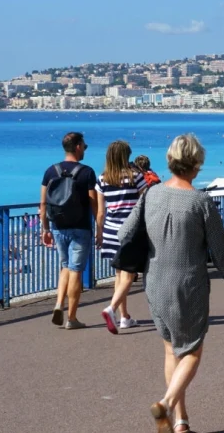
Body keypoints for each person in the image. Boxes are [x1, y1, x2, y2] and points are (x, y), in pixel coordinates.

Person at [122, 134, 224, 433]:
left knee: (170, 350)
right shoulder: (201, 201)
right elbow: (220, 249)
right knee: (192, 350)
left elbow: (125, 234)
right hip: (189, 284)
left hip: (155, 282)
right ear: (197, 164)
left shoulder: (150, 194)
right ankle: (165, 404)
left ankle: (180, 422)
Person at [40, 132, 98, 330]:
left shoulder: (51, 171)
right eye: (84, 145)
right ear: (78, 147)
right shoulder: (87, 172)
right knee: (76, 271)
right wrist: (100, 228)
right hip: (80, 228)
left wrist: (45, 228)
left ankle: (58, 304)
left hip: (58, 226)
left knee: (64, 265)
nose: (85, 149)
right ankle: (71, 318)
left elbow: (43, 203)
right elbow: (94, 204)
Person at [97, 141, 147, 334]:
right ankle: (111, 309)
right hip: (130, 231)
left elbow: (101, 212)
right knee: (129, 275)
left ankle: (124, 317)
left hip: (110, 231)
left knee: (119, 274)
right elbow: (145, 203)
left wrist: (99, 232)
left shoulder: (103, 179)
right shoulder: (136, 177)